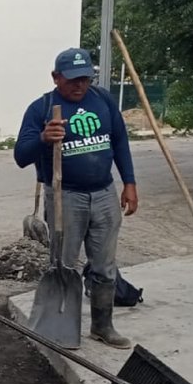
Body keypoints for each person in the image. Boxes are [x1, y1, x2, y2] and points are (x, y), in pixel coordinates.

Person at [13, 48, 138, 349]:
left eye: (84, 79)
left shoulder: (103, 99)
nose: (79, 85)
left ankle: (102, 326)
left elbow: (119, 141)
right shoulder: (41, 108)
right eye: (71, 80)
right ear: (56, 77)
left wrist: (129, 183)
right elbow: (20, 156)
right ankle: (60, 329)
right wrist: (44, 138)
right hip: (64, 196)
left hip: (105, 193)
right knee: (63, 266)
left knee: (105, 266)